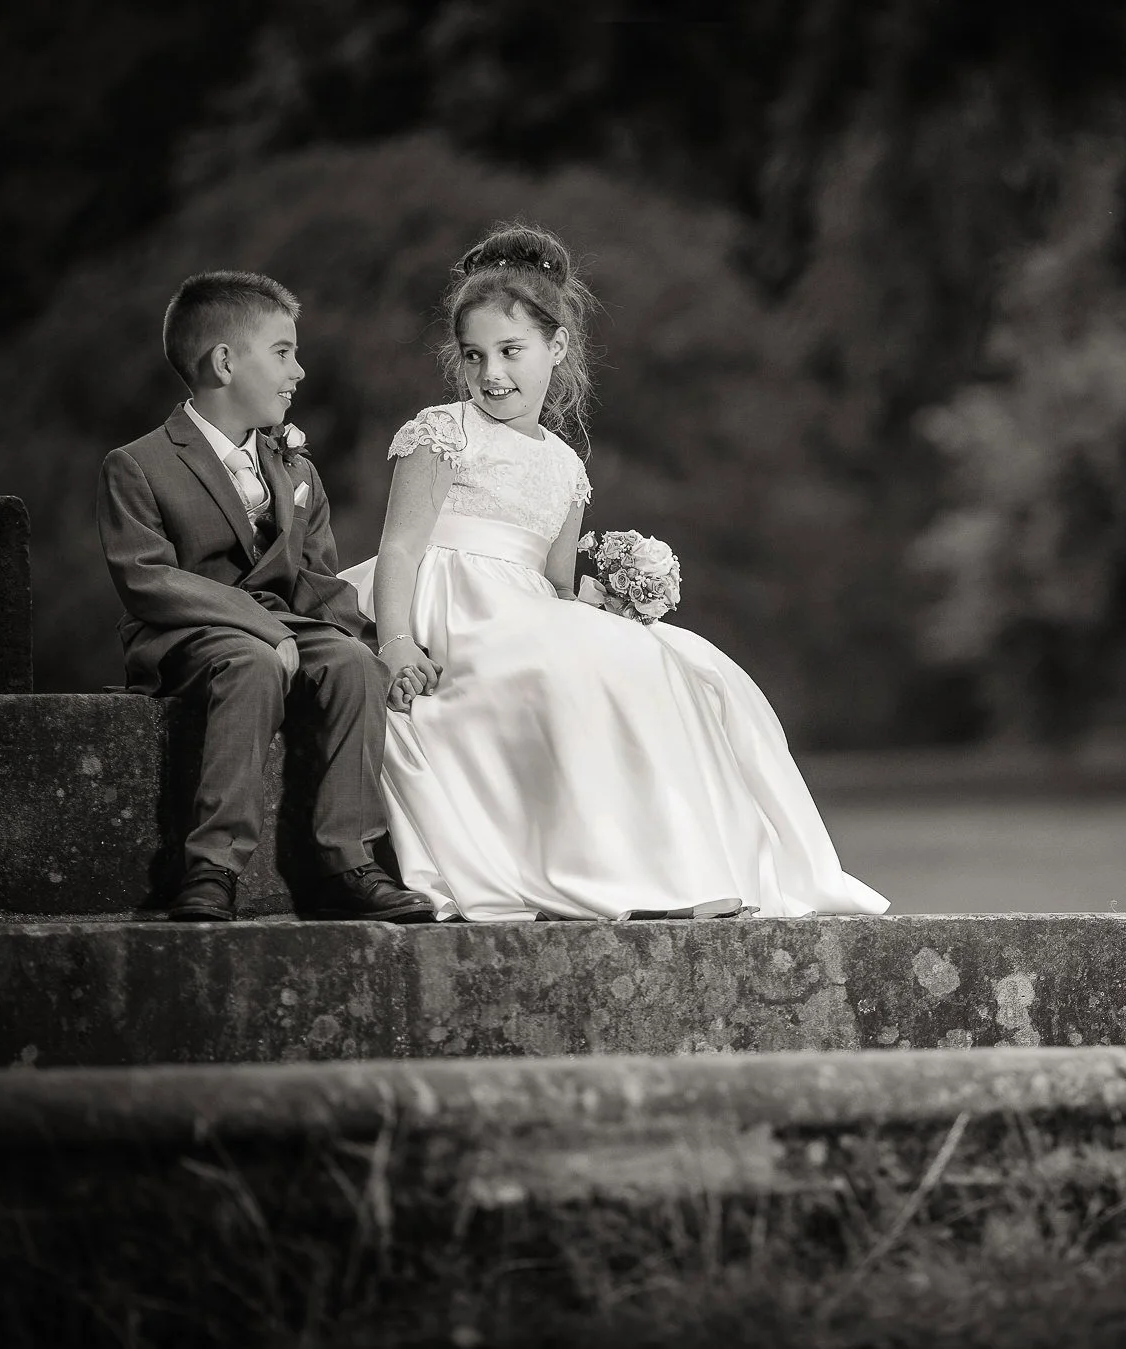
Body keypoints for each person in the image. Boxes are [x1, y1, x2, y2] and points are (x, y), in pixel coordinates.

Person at [339, 223, 888, 923]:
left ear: (556, 347)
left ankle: (684, 867)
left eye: (511, 351)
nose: (491, 374)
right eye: (474, 357)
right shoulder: (444, 430)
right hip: (449, 604)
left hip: (527, 605)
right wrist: (395, 642)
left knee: (690, 663)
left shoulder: (567, 466)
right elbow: (402, 549)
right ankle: (604, 871)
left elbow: (558, 584)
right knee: (575, 666)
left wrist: (615, 598)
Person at [97, 271, 436, 923]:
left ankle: (348, 860)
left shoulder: (294, 468)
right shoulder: (138, 464)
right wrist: (265, 629)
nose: (299, 371)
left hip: (281, 627)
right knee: (251, 665)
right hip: (184, 634)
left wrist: (374, 645)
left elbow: (314, 581)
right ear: (224, 361)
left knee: (351, 666)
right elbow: (147, 578)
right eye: (283, 351)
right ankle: (212, 868)